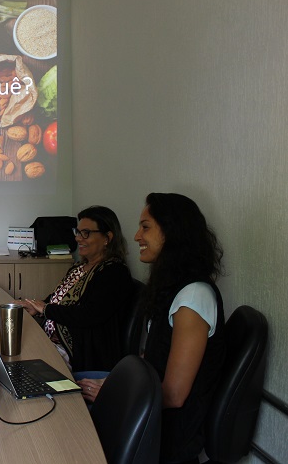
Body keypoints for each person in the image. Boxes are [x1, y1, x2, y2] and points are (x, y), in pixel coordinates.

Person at [79, 193, 225, 464]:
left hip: (167, 437)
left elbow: (174, 394)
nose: (136, 236)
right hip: (150, 411)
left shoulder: (193, 297)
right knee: (70, 393)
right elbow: (155, 358)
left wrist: (113, 395)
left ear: (172, 232)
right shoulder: (172, 287)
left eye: (145, 227)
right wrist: (113, 383)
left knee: (71, 416)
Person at [20, 206, 134, 373]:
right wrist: (36, 306)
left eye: (85, 233)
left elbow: (89, 315)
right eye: (77, 232)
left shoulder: (114, 272)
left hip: (80, 354)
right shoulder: (79, 267)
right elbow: (56, 299)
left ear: (107, 238)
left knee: (22, 368)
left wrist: (46, 309)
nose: (78, 238)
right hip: (52, 341)